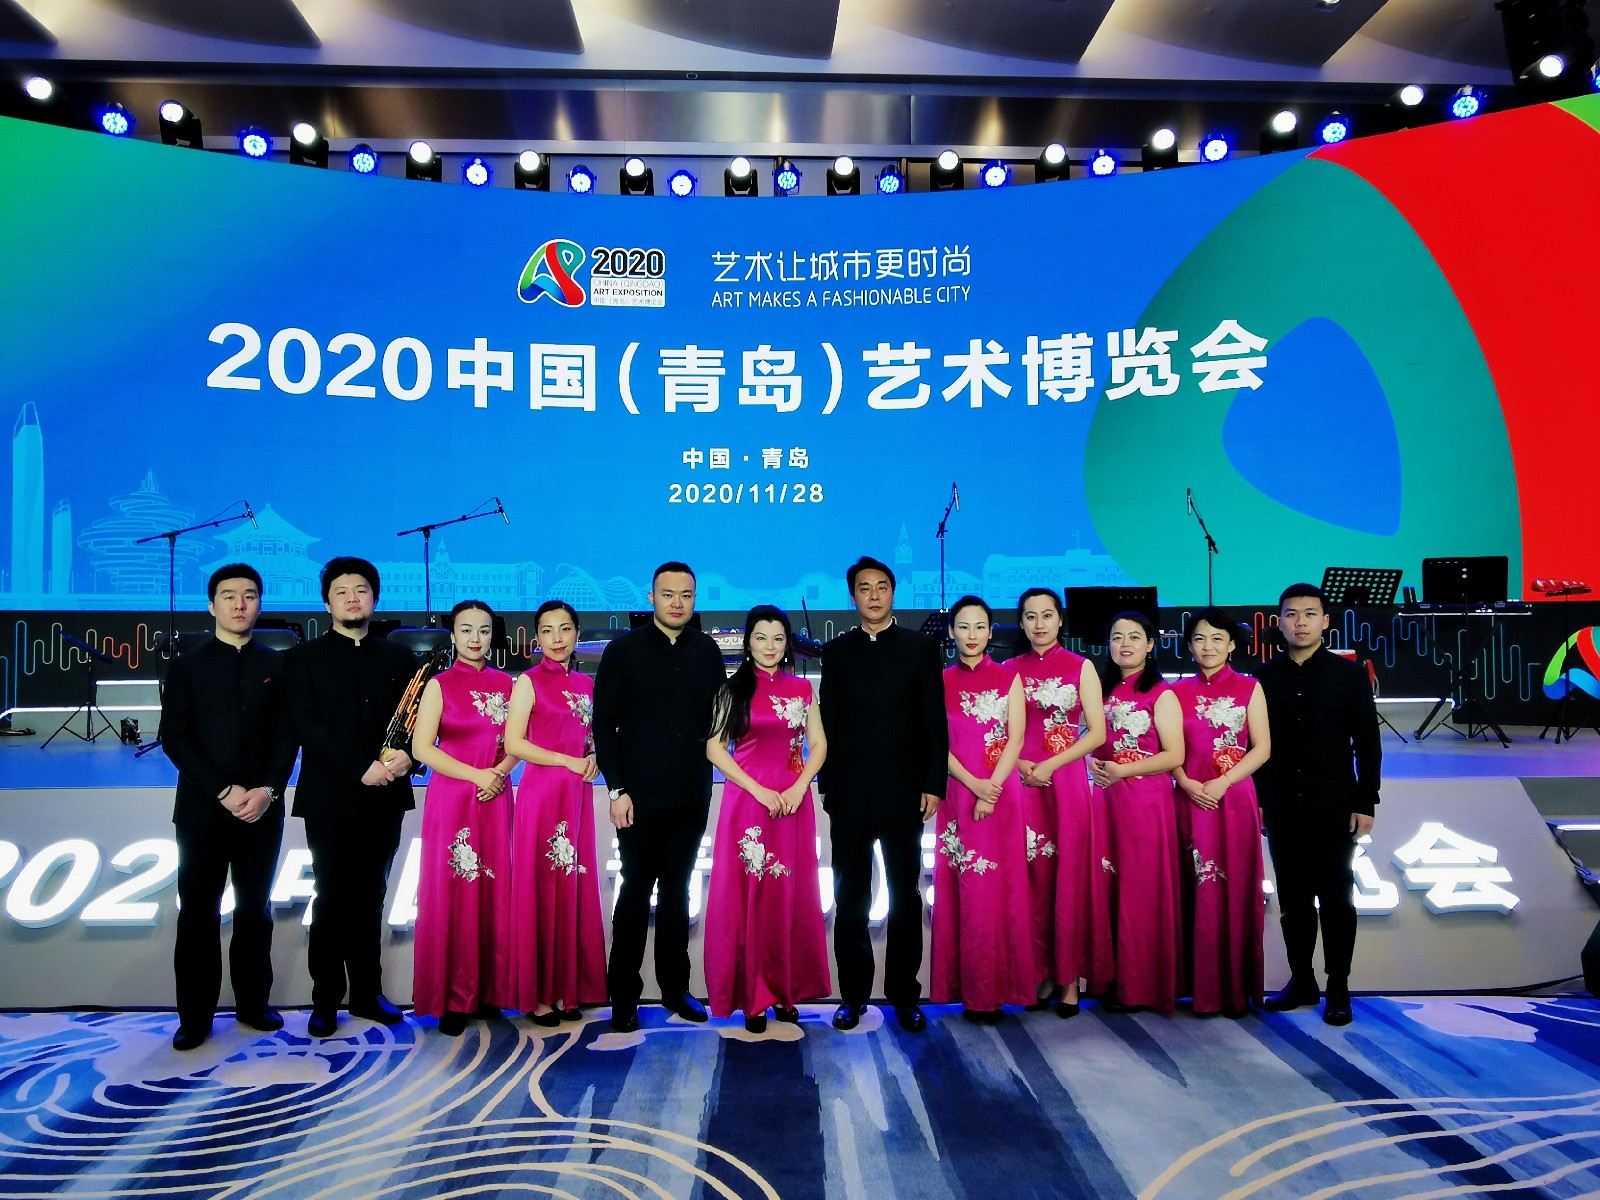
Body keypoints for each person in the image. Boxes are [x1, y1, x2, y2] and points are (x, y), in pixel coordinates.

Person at [160, 563, 297, 1051]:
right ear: (211, 605)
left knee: (255, 910)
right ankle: (195, 1017)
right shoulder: (188, 665)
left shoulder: (278, 665)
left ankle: (253, 1004)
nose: (240, 604)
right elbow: (174, 737)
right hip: (202, 811)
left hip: (262, 810)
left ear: (260, 603)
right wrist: (223, 790)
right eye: (229, 596)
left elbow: (288, 736)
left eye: (250, 595)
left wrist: (268, 791)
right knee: (198, 913)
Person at [283, 556, 417, 1037]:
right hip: (330, 797)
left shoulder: (399, 659)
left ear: (374, 599)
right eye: (342, 591)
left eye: (361, 590)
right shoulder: (302, 658)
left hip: (385, 797)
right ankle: (325, 999)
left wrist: (409, 758)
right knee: (332, 897)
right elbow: (307, 725)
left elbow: (417, 720)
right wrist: (361, 768)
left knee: (371, 896)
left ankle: (366, 992)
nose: (352, 598)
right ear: (327, 603)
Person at [593, 562, 726, 1033]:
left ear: (694, 599)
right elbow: (603, 725)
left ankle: (675, 989)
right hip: (637, 797)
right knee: (633, 892)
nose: (677, 603)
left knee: (676, 892)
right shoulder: (623, 651)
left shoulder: (707, 651)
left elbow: (720, 719)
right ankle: (623, 998)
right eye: (668, 594)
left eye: (686, 595)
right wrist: (616, 789)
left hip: (690, 794)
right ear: (651, 597)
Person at [819, 556, 948, 1033]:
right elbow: (828, 724)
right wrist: (828, 785)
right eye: (864, 588)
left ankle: (904, 996)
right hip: (850, 794)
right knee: (850, 897)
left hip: (904, 793)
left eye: (881, 587)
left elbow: (933, 721)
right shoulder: (837, 652)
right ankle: (852, 996)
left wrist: (933, 783)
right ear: (852, 596)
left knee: (904, 897)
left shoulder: (919, 649)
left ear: (893, 593)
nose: (873, 595)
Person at [1255, 583, 1381, 1027]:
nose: (1301, 622)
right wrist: (1259, 800)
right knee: (1293, 901)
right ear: (1280, 622)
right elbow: (1255, 746)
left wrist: (1366, 800)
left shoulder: (1349, 675)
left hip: (1334, 804)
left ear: (1325, 621)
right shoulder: (1263, 678)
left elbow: (1367, 742)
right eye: (1292, 614)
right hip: (1282, 803)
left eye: (1310, 614)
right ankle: (1302, 981)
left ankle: (1338, 986)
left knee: (1337, 900)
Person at [703, 605, 831, 1032]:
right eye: (761, 638)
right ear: (748, 642)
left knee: (787, 897)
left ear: (788, 643)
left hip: (793, 805)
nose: (770, 646)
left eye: (778, 638)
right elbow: (715, 748)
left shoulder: (802, 689)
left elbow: (819, 744)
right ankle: (754, 999)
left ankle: (783, 992)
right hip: (749, 804)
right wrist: (757, 789)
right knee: (751, 899)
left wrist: (800, 786)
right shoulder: (732, 689)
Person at [409, 600, 515, 1036]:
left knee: (493, 892)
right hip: (453, 798)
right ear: (452, 635)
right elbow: (422, 748)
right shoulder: (438, 685)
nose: (475, 638)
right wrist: (477, 775)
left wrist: (499, 774)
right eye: (466, 629)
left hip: (496, 795)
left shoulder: (509, 684)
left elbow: (518, 741)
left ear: (493, 636)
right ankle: (453, 998)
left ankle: (488, 991)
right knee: (452, 892)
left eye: (484, 630)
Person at [932, 596, 1036, 1022]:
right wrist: (974, 785)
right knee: (968, 893)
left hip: (1003, 795)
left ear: (991, 632)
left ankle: (999, 990)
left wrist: (991, 790)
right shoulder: (939, 681)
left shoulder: (1010, 678)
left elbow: (1016, 738)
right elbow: (935, 743)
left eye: (979, 627)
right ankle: (971, 992)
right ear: (951, 632)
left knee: (1001, 893)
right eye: (963, 627)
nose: (971, 635)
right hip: (959, 793)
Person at [505, 600, 607, 1027]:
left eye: (565, 629)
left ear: (577, 634)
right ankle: (540, 995)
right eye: (547, 630)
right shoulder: (527, 682)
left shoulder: (586, 683)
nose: (557, 638)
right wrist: (566, 760)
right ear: (537, 638)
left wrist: (593, 755)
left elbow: (589, 736)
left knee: (573, 886)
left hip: (577, 793)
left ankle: (569, 989)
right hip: (542, 792)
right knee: (542, 886)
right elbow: (514, 744)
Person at [1009, 587, 1107, 1018]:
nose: (1039, 624)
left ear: (1060, 620)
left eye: (1047, 615)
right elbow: (1001, 731)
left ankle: (1069, 980)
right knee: (1032, 879)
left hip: (1064, 781)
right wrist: (1021, 764)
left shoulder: (1081, 667)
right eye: (1030, 616)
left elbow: (1097, 732)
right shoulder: (1009, 669)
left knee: (1069, 878)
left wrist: (1051, 763)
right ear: (1021, 622)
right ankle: (1041, 973)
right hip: (1022, 780)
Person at [1170, 608, 1270, 1018]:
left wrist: (1224, 781)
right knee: (1193, 889)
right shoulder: (1175, 693)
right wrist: (1185, 781)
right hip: (1189, 798)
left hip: (1233, 798)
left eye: (1216, 639)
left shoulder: (1250, 687)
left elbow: (1262, 748)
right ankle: (1197, 989)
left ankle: (1234, 991)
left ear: (1231, 644)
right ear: (1189, 646)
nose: (1207, 646)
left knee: (1235, 889)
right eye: (1199, 639)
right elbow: (1168, 750)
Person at [1087, 611, 1185, 1014]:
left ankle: (1141, 985)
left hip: (1145, 801)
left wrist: (1122, 770)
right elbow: (1088, 740)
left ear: (1150, 645)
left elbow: (1174, 755)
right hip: (1106, 800)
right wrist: (1092, 762)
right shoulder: (1101, 689)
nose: (1124, 644)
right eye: (1116, 637)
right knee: (1109, 886)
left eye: (1134, 636)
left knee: (1141, 890)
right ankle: (1112, 980)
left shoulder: (1162, 693)